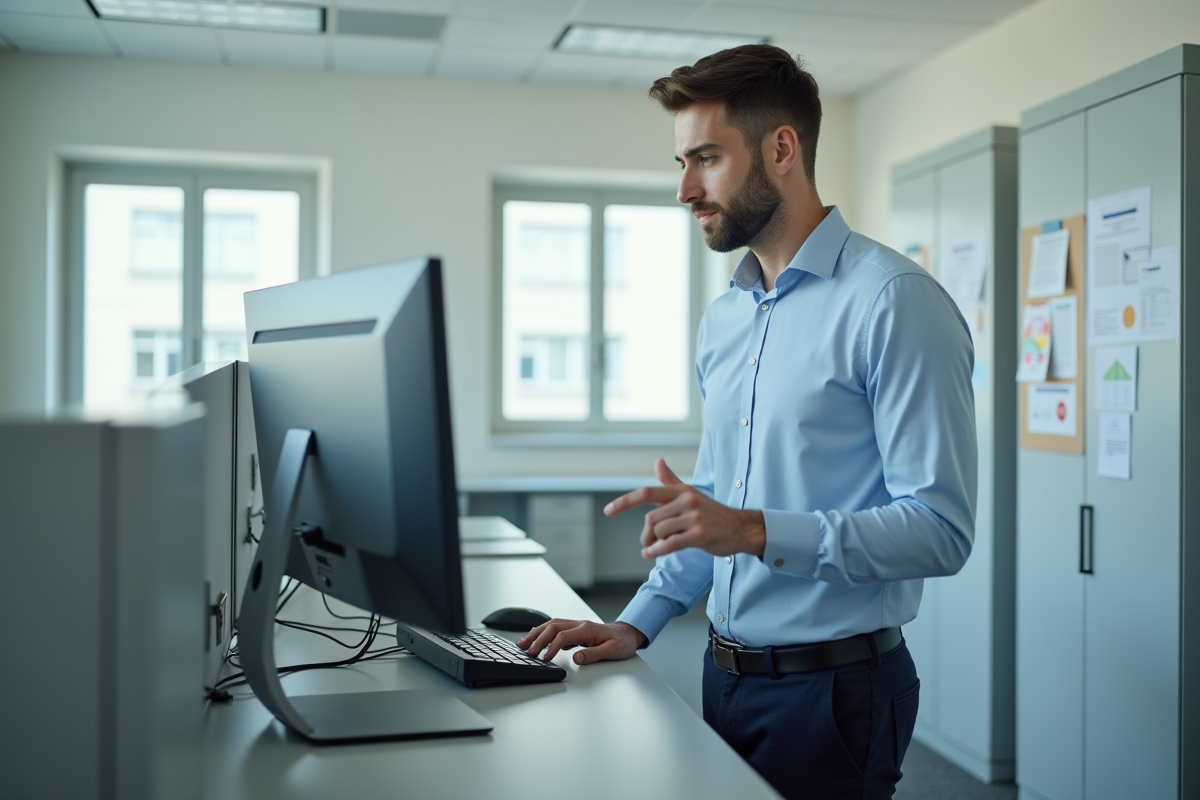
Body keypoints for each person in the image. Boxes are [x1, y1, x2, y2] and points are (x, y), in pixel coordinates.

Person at [518, 44, 977, 800]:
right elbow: (718, 508)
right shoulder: (726, 320)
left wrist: (756, 530)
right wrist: (636, 622)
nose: (684, 190)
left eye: (705, 159)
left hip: (836, 694)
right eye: (680, 161)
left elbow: (941, 529)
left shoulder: (894, 302)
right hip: (720, 676)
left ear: (782, 149)